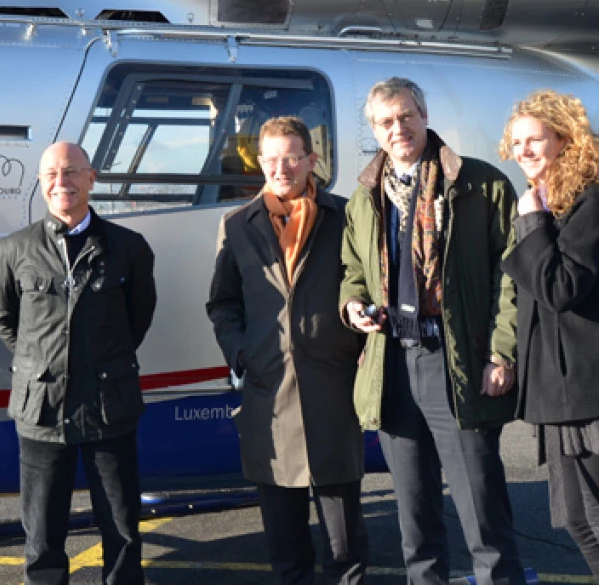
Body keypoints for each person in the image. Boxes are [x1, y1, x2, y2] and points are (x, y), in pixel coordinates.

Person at [340, 77, 525, 585]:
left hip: (455, 360)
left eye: (405, 116)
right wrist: (352, 304)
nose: (397, 128)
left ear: (423, 116)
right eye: (385, 121)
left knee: (483, 515)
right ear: (375, 131)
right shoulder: (365, 196)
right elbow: (353, 270)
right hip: (393, 363)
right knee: (415, 522)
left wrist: (501, 355)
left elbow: (510, 280)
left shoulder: (480, 185)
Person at [207, 116, 368, 584]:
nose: (282, 168)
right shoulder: (237, 224)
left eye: (292, 157)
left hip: (333, 393)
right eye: (272, 159)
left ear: (311, 161)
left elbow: (364, 286)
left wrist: (359, 350)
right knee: (287, 548)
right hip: (269, 397)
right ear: (260, 163)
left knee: (346, 547)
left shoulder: (344, 217)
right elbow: (223, 303)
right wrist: (241, 354)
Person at [0, 141, 156, 585]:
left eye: (71, 172)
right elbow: (3, 318)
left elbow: (139, 317)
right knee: (42, 532)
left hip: (108, 404)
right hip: (41, 407)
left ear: (91, 178)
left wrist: (97, 359)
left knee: (121, 526)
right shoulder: (14, 248)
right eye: (51, 175)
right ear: (42, 183)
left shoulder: (128, 247)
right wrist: (43, 363)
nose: (61, 182)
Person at [499, 90, 599, 576]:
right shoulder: (544, 201)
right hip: (557, 394)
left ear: (564, 139)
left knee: (596, 518)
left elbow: (561, 288)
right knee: (577, 520)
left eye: (535, 139)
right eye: (516, 142)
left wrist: (531, 221)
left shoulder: (588, 200)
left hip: (588, 392)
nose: (524, 151)